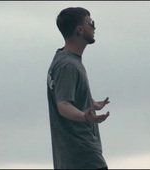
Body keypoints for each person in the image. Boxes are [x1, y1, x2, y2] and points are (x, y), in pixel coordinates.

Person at [46, 7, 111, 169]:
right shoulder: (67, 65)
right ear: (80, 30)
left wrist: (90, 102)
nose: (94, 28)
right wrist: (86, 116)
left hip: (73, 156)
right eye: (91, 23)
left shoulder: (64, 59)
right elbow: (63, 105)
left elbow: (66, 94)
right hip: (82, 153)